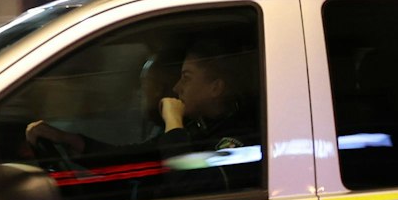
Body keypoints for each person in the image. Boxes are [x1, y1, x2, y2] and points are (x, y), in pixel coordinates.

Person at [25, 35, 258, 165]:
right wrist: (72, 141)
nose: (177, 88)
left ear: (215, 88)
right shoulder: (201, 128)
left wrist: (174, 122)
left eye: (186, 78)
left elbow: (186, 182)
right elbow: (133, 157)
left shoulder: (237, 140)